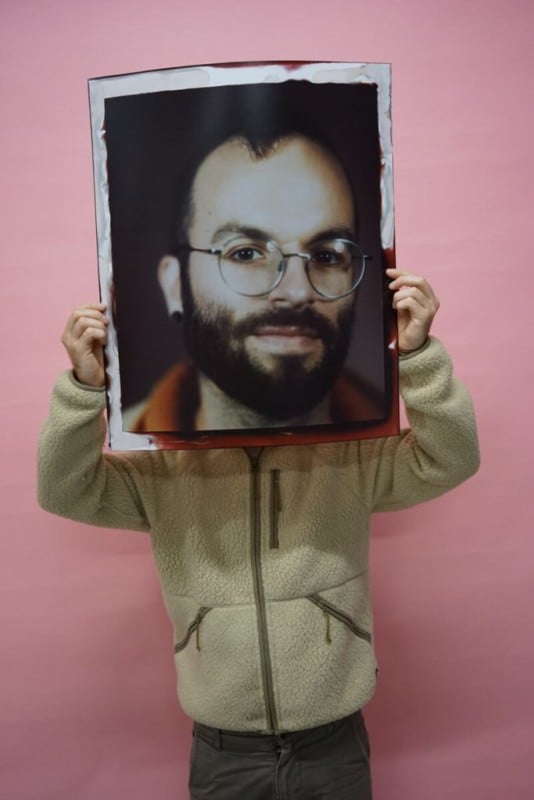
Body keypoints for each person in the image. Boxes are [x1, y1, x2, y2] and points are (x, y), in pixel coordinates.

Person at [122, 130, 387, 433]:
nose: (297, 292)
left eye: (326, 256)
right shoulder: (117, 460)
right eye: (246, 254)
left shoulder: (396, 444)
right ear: (175, 286)